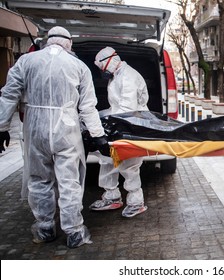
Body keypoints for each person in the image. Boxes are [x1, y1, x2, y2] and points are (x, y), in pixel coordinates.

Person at [0, 26, 110, 248]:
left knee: (39, 180)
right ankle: (74, 232)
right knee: (69, 182)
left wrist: (1, 127)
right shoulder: (79, 66)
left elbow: (9, 94)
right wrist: (99, 136)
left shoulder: (26, 62)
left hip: (35, 128)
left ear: (47, 41)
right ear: (69, 43)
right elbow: (88, 106)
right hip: (67, 130)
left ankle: (45, 228)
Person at [89, 46, 148, 218]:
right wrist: (100, 117)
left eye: (103, 68)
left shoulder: (128, 76)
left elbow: (126, 109)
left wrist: (108, 123)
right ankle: (111, 196)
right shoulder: (117, 75)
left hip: (131, 125)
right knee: (107, 160)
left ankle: (136, 202)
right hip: (118, 125)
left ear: (111, 60)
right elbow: (115, 107)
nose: (103, 72)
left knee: (129, 166)